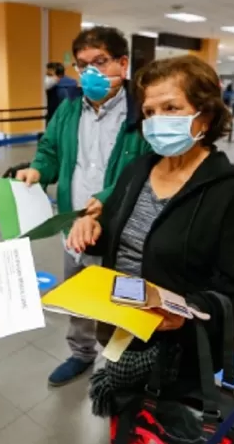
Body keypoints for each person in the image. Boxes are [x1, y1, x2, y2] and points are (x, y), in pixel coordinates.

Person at [66, 55, 234, 444]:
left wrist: (187, 311)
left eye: (171, 108)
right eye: (150, 111)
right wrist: (91, 228)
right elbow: (116, 235)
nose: (157, 121)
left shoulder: (230, 194)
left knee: (163, 415)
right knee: (121, 401)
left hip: (177, 340)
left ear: (205, 114)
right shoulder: (139, 170)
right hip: (120, 318)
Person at [15, 26, 152, 387]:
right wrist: (37, 171)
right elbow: (49, 151)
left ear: (122, 64)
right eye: (82, 65)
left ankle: (124, 362)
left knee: (122, 296)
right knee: (78, 293)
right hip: (73, 224)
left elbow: (145, 170)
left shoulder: (141, 113)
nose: (91, 72)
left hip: (120, 228)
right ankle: (81, 352)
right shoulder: (69, 110)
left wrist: (106, 200)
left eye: (100, 62)